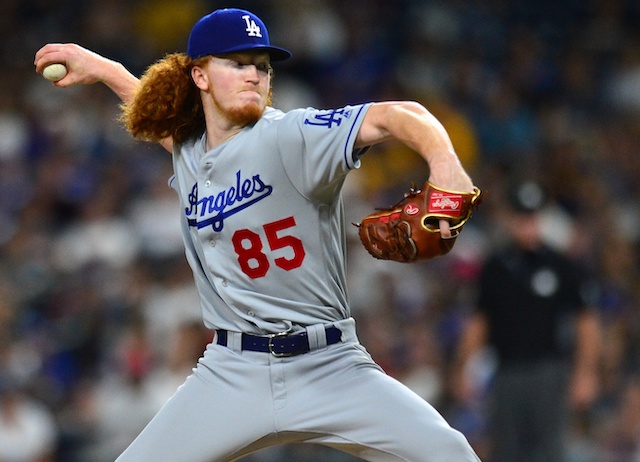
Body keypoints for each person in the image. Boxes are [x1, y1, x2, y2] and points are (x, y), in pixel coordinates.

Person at [34, 8, 481, 462]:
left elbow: (399, 114)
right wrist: (105, 69)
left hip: (329, 364)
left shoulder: (291, 135)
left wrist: (446, 166)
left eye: (262, 66)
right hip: (231, 372)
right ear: (200, 77)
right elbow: (165, 128)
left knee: (451, 453)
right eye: (237, 62)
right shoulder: (190, 151)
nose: (253, 74)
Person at [452, 180, 601, 462]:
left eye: (532, 217)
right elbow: (479, 321)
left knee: (550, 450)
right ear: (510, 218)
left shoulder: (560, 264)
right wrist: (462, 368)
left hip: (550, 372)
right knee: (507, 451)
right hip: (507, 372)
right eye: (521, 217)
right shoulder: (495, 268)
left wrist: (586, 372)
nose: (527, 225)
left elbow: (586, 321)